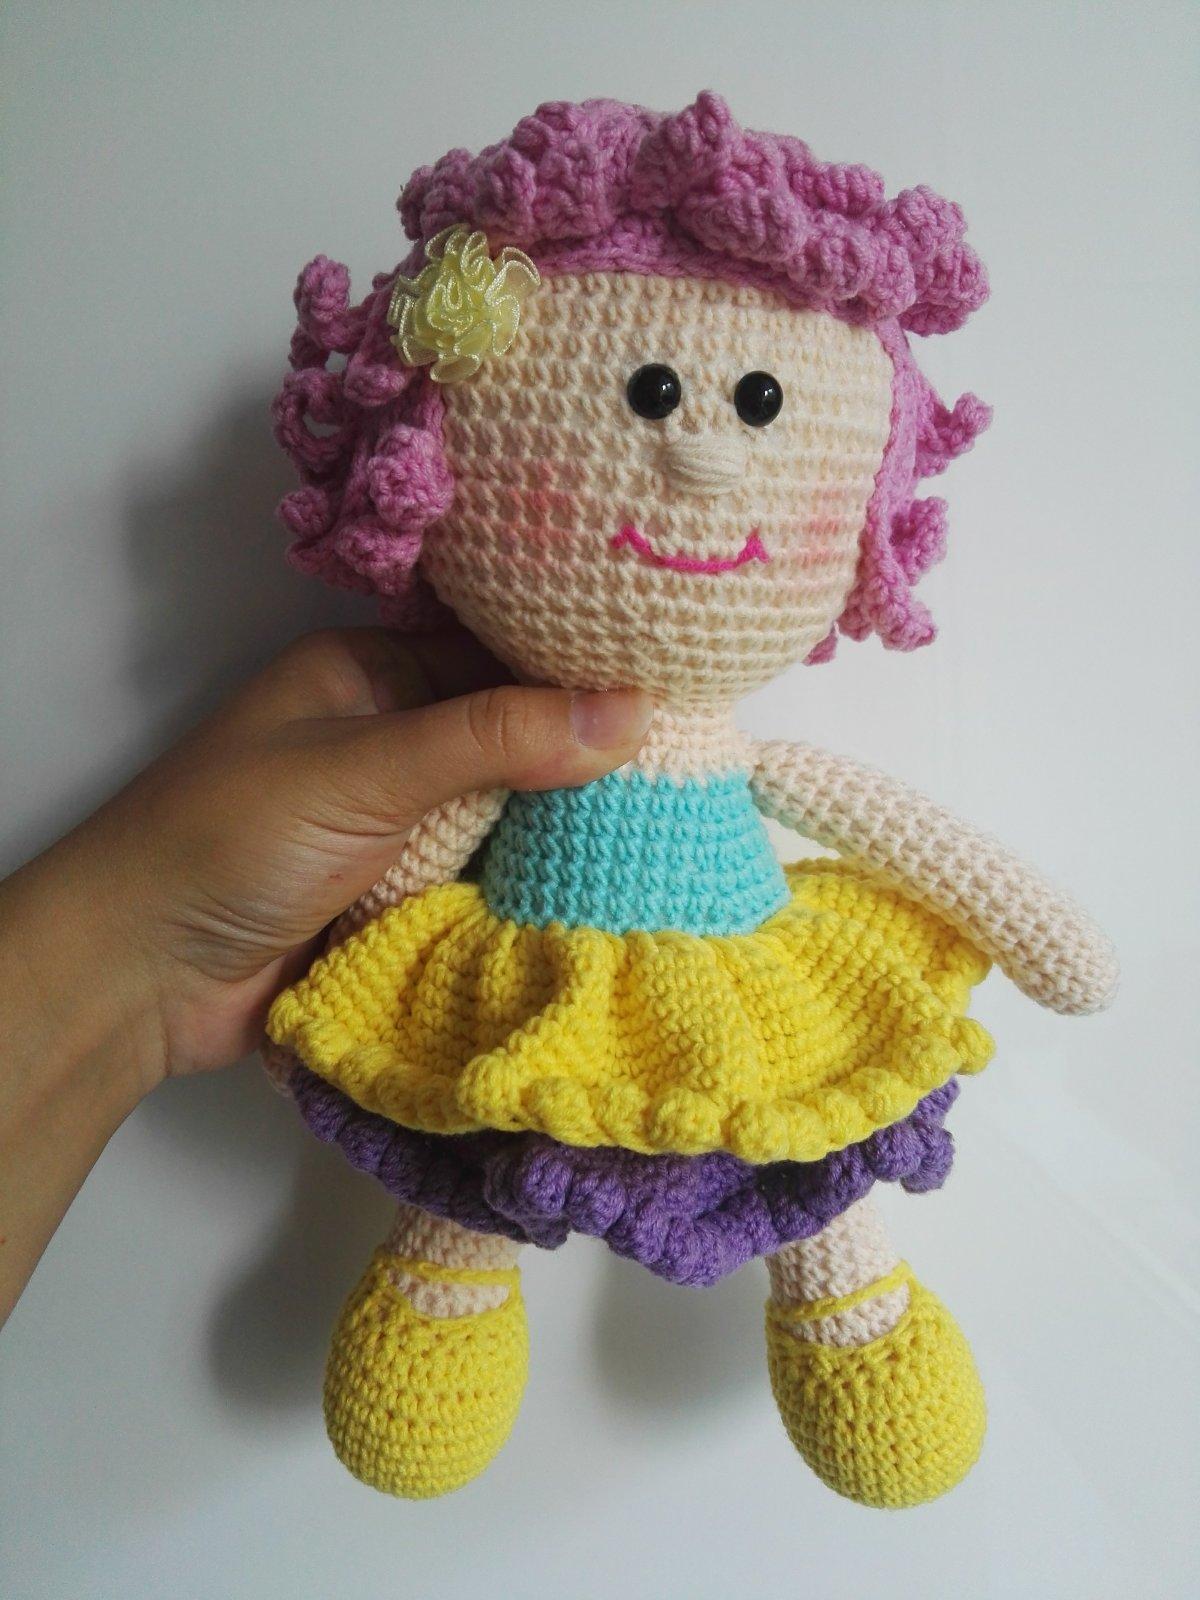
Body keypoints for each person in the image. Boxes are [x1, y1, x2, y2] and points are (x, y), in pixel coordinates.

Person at [0, 625, 652, 1323]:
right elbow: (415, 867)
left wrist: (140, 960)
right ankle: (443, 1288)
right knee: (468, 1128)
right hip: (506, 972)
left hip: (676, 985)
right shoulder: (507, 752)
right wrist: (356, 961)